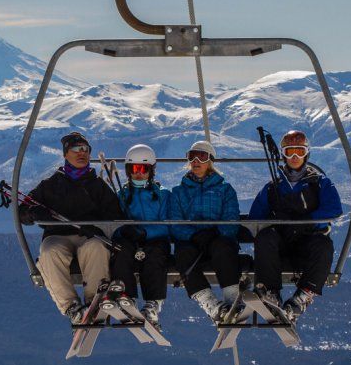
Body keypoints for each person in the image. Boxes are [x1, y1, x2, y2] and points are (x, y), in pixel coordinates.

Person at [19, 131, 124, 323]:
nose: (81, 153)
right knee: (50, 252)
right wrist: (33, 213)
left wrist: (99, 229)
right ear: (66, 154)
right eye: (76, 149)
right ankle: (71, 307)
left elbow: (115, 216)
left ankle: (95, 301)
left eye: (85, 149)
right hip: (58, 236)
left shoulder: (98, 186)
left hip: (89, 236)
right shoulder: (51, 185)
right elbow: (23, 210)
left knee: (96, 248)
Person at [248, 130, 343, 323]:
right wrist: (274, 222)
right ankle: (270, 292)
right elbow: (255, 217)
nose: (294, 157)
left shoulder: (319, 183)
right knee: (265, 237)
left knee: (323, 246)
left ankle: (302, 298)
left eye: (299, 152)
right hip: (281, 244)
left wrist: (308, 221)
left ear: (306, 153)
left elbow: (334, 209)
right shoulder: (272, 187)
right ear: (282, 154)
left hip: (306, 242)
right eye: (289, 152)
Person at [169, 140, 242, 323]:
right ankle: (211, 305)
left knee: (223, 247)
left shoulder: (224, 189)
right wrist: (193, 235)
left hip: (217, 240)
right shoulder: (179, 192)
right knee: (183, 254)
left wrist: (216, 233)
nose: (196, 161)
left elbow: (232, 220)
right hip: (193, 244)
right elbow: (175, 222)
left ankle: (232, 300)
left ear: (210, 160)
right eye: (191, 156)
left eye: (202, 156)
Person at [110, 144, 172, 328]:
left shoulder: (162, 196)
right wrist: (124, 230)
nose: (138, 173)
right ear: (128, 171)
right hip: (130, 242)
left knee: (155, 255)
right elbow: (114, 225)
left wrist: (145, 232)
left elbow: (167, 225)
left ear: (151, 171)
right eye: (133, 169)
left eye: (143, 169)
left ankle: (153, 303)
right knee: (121, 252)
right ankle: (127, 299)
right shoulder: (122, 195)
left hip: (154, 241)